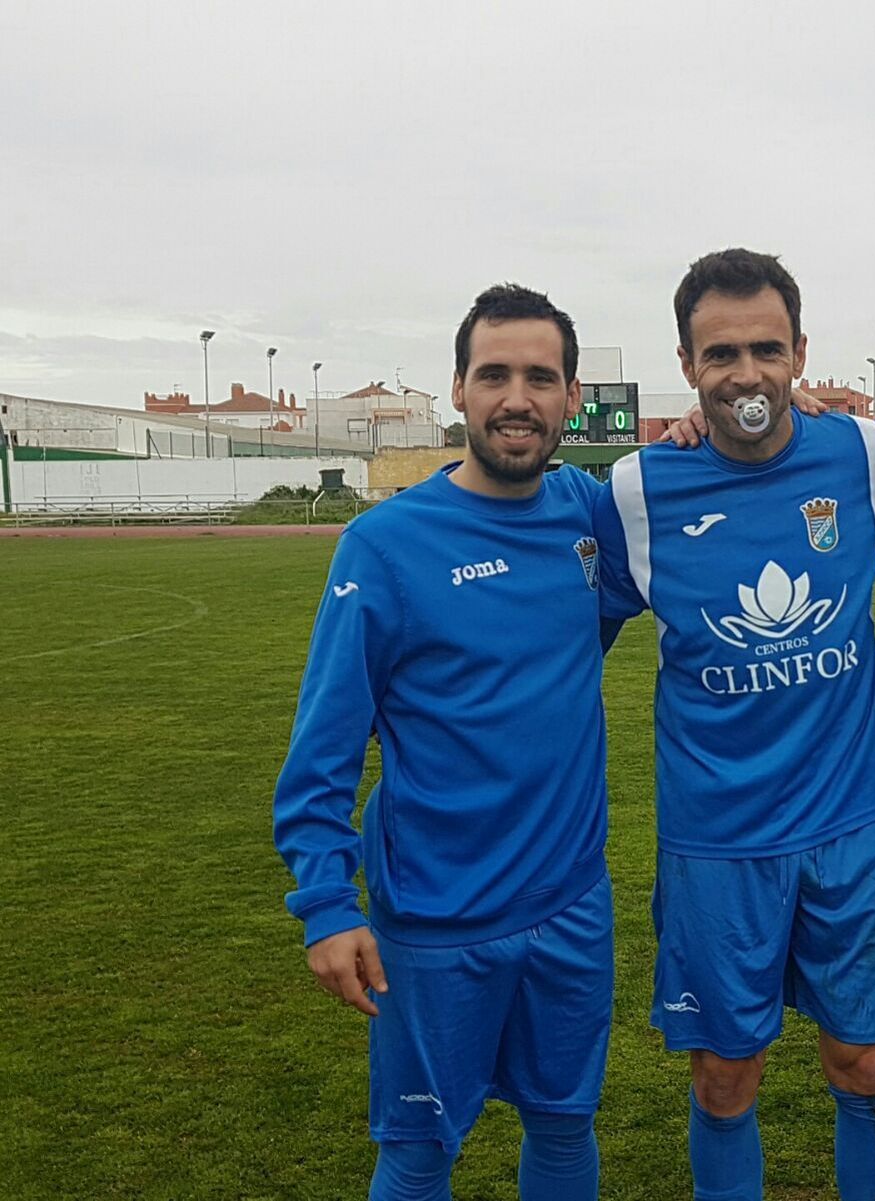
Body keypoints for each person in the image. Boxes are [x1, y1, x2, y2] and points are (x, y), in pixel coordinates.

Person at [273, 283, 614, 1201]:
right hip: (435, 923)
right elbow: (322, 752)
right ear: (459, 389)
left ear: (572, 398)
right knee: (421, 1150)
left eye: (541, 377)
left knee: (564, 1122)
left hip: (573, 901)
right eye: (494, 373)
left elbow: (711, 484)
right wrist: (326, 905)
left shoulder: (590, 516)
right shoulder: (383, 545)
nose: (518, 397)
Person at [593, 248, 875, 1201]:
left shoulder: (865, 452)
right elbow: (561, 632)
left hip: (850, 823)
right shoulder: (636, 491)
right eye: (722, 353)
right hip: (717, 841)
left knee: (867, 1063)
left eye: (767, 349)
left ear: (801, 354)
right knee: (724, 1075)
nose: (747, 374)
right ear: (688, 366)